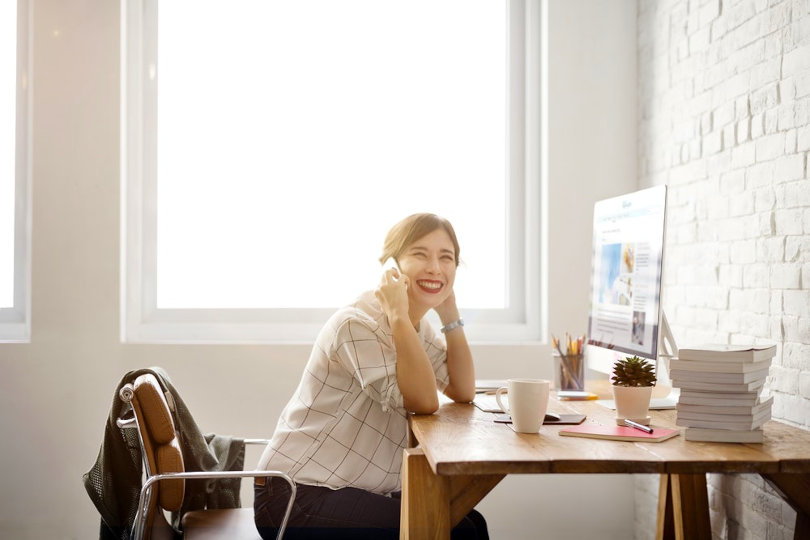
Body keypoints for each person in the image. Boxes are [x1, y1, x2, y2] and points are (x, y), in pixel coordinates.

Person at [254, 213, 488, 539]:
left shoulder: (417, 328)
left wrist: (450, 313)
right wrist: (396, 313)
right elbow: (423, 401)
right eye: (420, 254)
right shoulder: (358, 324)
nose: (435, 267)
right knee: (457, 531)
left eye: (446, 257)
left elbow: (463, 390)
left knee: (471, 522)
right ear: (392, 266)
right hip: (295, 495)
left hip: (350, 488)